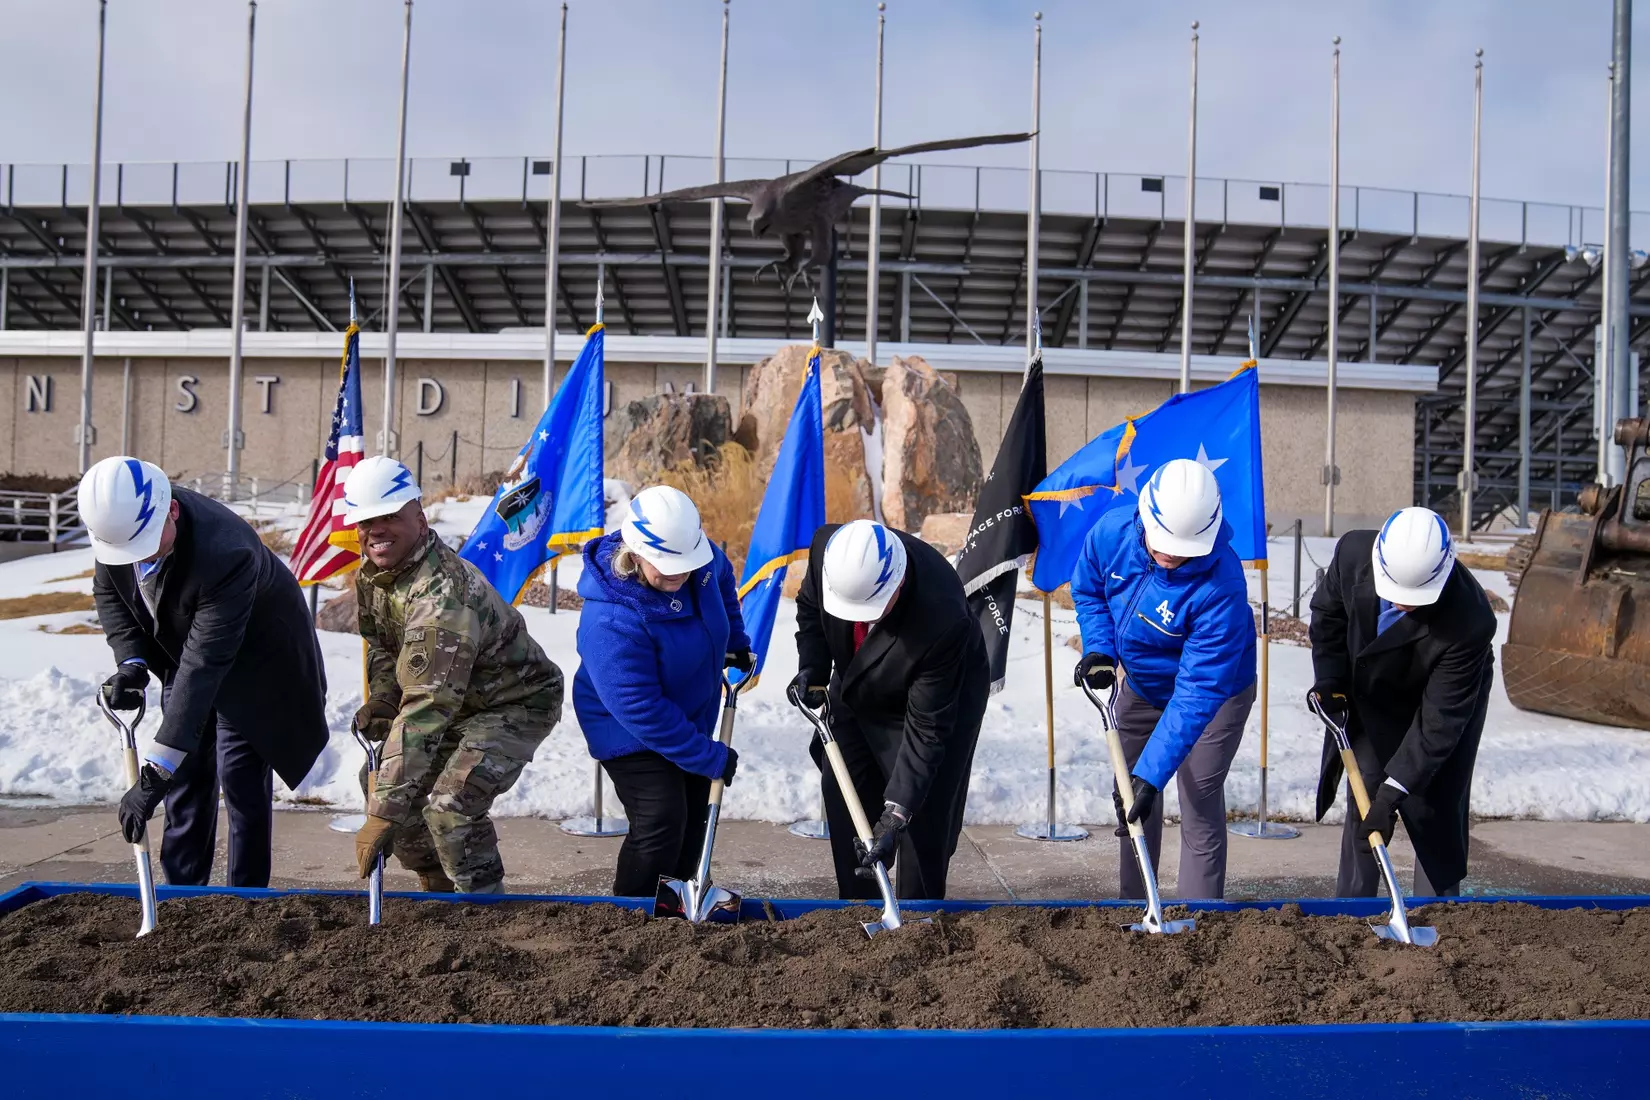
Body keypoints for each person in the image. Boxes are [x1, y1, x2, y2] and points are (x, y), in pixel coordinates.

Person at [82, 456, 329, 887]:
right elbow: (110, 591)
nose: (134, 557)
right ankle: (182, 894)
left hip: (255, 662)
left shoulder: (225, 552)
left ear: (171, 510)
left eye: (143, 545)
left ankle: (246, 898)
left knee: (240, 782)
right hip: (191, 651)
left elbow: (205, 664)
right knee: (186, 779)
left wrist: (154, 770)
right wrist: (133, 664)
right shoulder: (119, 525)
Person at [347, 456, 563, 894]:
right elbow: (388, 647)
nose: (376, 531)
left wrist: (383, 815)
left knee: (450, 807)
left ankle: (482, 905)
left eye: (390, 516)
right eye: (367, 522)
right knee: (378, 782)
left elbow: (428, 706)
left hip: (515, 701)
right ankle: (438, 884)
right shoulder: (377, 576)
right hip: (457, 699)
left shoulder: (443, 595)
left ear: (420, 518)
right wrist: (386, 699)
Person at [1071, 458, 1256, 901]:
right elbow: (1089, 589)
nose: (1170, 555)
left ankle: (1200, 918)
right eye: (1163, 542)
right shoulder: (1112, 532)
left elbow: (1197, 691)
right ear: (1146, 518)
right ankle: (1137, 908)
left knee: (1197, 791)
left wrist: (1154, 774)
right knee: (1130, 792)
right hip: (1142, 682)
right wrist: (1100, 648)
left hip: (1215, 694)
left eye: (1183, 547)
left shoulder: (1221, 586)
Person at [791, 519, 989, 900]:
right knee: (842, 786)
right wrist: (813, 670)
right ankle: (858, 906)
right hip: (857, 679)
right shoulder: (828, 552)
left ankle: (919, 920)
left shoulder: (942, 617)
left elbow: (926, 730)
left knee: (921, 819)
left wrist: (896, 816)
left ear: (897, 582)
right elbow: (811, 607)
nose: (863, 619)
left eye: (872, 610)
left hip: (937, 696)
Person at [573, 486, 752, 897]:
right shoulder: (610, 621)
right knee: (661, 818)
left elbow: (720, 581)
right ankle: (632, 918)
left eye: (684, 566)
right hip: (625, 726)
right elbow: (641, 708)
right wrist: (708, 756)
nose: (677, 575)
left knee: (695, 813)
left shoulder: (698, 562)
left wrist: (735, 641)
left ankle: (679, 900)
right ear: (634, 553)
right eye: (664, 566)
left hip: (685, 710)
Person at [1307, 506, 1495, 898]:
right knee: (1366, 797)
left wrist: (1396, 792)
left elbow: (1438, 722)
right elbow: (1328, 616)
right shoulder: (1353, 554)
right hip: (1372, 690)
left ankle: (1438, 914)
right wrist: (1330, 679)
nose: (1404, 603)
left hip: (1442, 696)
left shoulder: (1470, 620)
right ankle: (1353, 911)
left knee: (1435, 802)